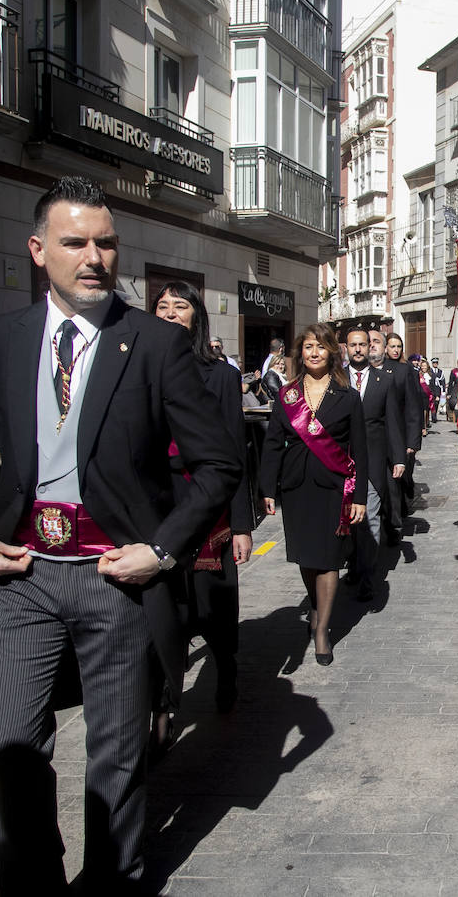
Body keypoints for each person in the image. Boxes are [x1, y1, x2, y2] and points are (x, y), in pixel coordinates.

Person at [0, 176, 239, 892]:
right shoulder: (0, 340)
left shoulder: (155, 344)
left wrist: (161, 549)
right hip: (19, 575)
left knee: (119, 755)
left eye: (106, 242)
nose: (94, 257)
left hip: (116, 579)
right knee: (7, 746)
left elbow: (218, 462)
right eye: (76, 242)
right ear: (39, 250)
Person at [152, 282, 254, 721]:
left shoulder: (221, 375)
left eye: (181, 306)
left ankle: (225, 667)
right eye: (162, 306)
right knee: (163, 602)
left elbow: (235, 450)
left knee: (213, 600)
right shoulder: (138, 367)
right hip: (158, 499)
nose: (171, 313)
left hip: (208, 501)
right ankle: (162, 701)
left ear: (197, 317)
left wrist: (242, 524)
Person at [259, 324, 367, 667]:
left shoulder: (347, 395)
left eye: (321, 347)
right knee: (307, 557)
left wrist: (361, 496)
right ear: (300, 353)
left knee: (330, 558)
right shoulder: (287, 394)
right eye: (308, 347)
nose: (315, 353)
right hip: (296, 487)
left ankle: (322, 628)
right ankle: (317, 606)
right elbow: (273, 443)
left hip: (334, 487)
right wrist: (267, 488)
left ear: (332, 352)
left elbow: (360, 450)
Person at [341, 326, 405, 601]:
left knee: (370, 520)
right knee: (349, 522)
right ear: (346, 348)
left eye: (362, 345)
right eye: (353, 345)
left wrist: (399, 457)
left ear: (370, 348)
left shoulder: (384, 380)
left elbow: (392, 421)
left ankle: (368, 576)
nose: (358, 349)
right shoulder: (337, 380)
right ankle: (354, 564)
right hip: (341, 463)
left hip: (374, 462)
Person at [385, 333, 424, 519]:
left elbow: (414, 405)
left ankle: (401, 505)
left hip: (402, 430)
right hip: (384, 432)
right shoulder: (378, 369)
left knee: (403, 473)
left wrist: (413, 440)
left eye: (398, 346)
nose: (395, 350)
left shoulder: (407, 370)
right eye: (392, 346)